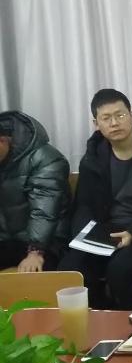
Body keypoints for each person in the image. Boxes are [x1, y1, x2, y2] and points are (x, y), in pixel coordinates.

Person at [57, 90, 132, 309]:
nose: (114, 123)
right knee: (70, 269)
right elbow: (84, 204)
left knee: (121, 270)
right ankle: (96, 319)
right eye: (106, 118)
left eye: (120, 115)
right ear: (96, 124)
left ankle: (128, 321)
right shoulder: (92, 158)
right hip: (105, 232)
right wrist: (85, 235)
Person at [0, 111, 70, 272]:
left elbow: (44, 210)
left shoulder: (46, 159)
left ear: (3, 141)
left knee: (35, 273)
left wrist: (35, 251)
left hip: (47, 242)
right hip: (7, 240)